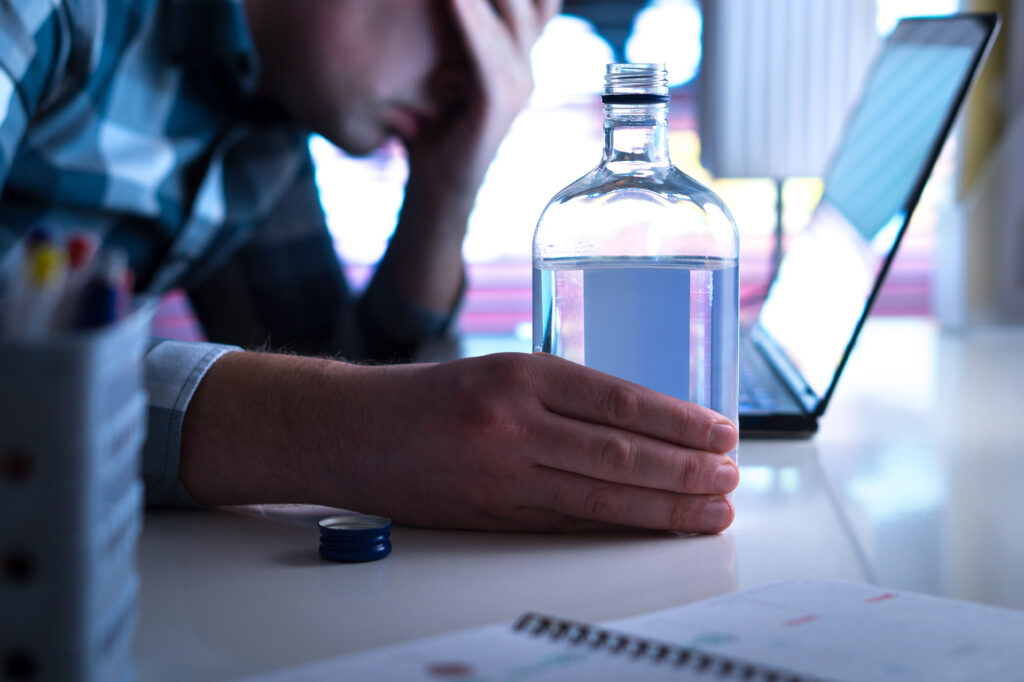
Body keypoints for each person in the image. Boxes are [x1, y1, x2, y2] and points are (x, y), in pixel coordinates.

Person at [0, 0, 739, 533]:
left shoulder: (259, 135)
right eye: (472, 18)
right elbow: (350, 421)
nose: (474, 85)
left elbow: (350, 381)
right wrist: (342, 428)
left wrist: (448, 188)